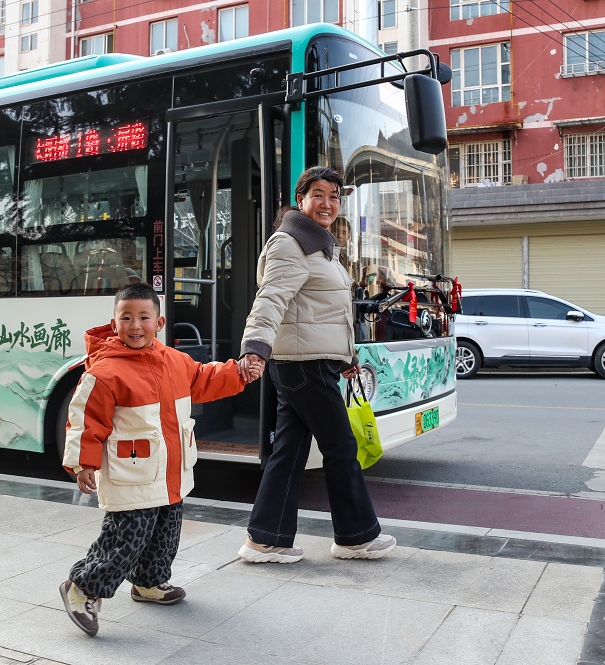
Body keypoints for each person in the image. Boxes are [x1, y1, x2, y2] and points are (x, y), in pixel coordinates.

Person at [59, 282, 263, 636]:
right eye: (126, 318)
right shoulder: (104, 373)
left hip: (170, 472)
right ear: (114, 323)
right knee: (126, 538)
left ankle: (149, 582)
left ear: (160, 322)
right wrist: (82, 463)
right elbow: (83, 421)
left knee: (166, 532)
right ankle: (83, 587)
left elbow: (205, 378)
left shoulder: (175, 361)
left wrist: (238, 373)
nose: (135, 325)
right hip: (130, 475)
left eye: (144, 317)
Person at [237, 165, 396, 564]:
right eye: (318, 195)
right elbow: (271, 297)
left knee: (290, 451)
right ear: (301, 200)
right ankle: (355, 537)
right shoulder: (290, 243)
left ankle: (265, 540)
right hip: (302, 365)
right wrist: (255, 347)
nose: (327, 203)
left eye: (334, 197)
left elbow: (325, 313)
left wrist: (346, 357)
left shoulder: (320, 246)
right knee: (340, 446)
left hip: (309, 362)